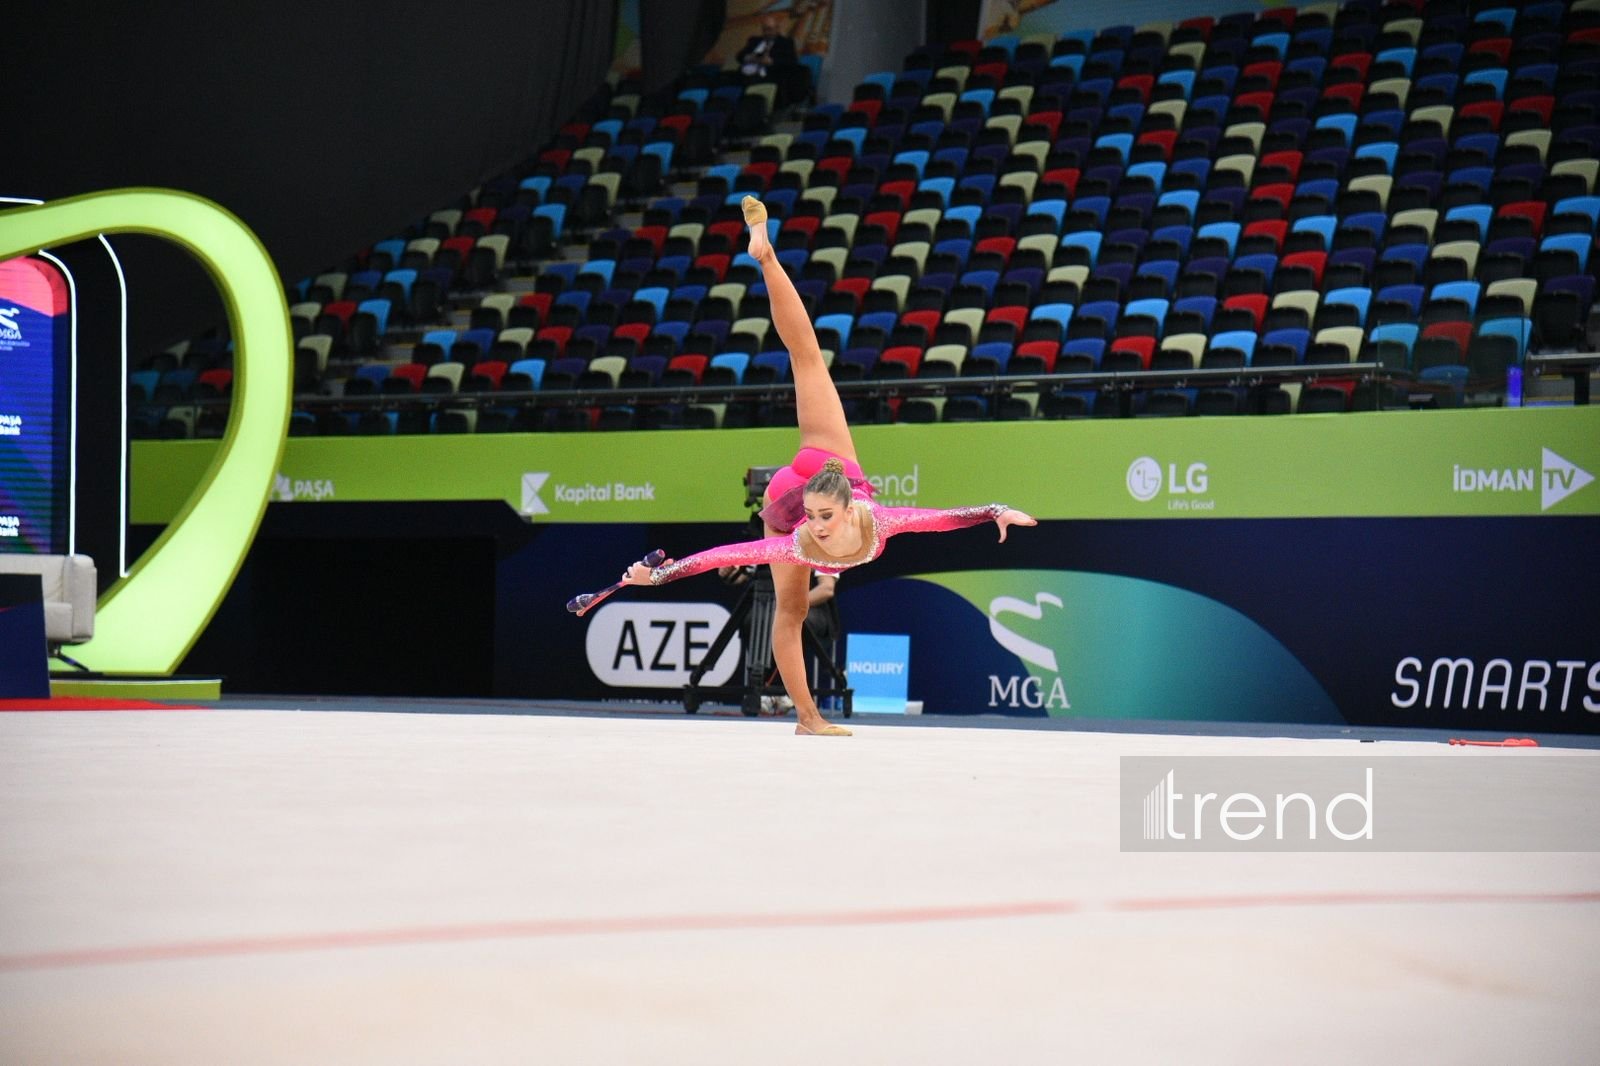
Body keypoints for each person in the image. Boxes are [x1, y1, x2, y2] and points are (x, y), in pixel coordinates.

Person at [621, 196, 1037, 736]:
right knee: (788, 611)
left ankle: (766, 256)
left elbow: (942, 516)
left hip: (822, 468)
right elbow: (727, 553)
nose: (815, 527)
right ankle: (808, 718)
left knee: (808, 358)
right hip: (789, 488)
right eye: (813, 519)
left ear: (846, 506)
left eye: (822, 518)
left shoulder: (873, 518)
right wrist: (662, 573)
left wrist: (996, 512)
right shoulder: (800, 536)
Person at [734, 12, 810, 110]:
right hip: (746, 74)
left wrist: (772, 62)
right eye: (764, 29)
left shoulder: (785, 43)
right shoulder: (754, 41)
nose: (767, 33)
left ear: (777, 28)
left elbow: (791, 61)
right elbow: (740, 56)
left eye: (769, 29)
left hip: (770, 74)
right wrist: (749, 57)